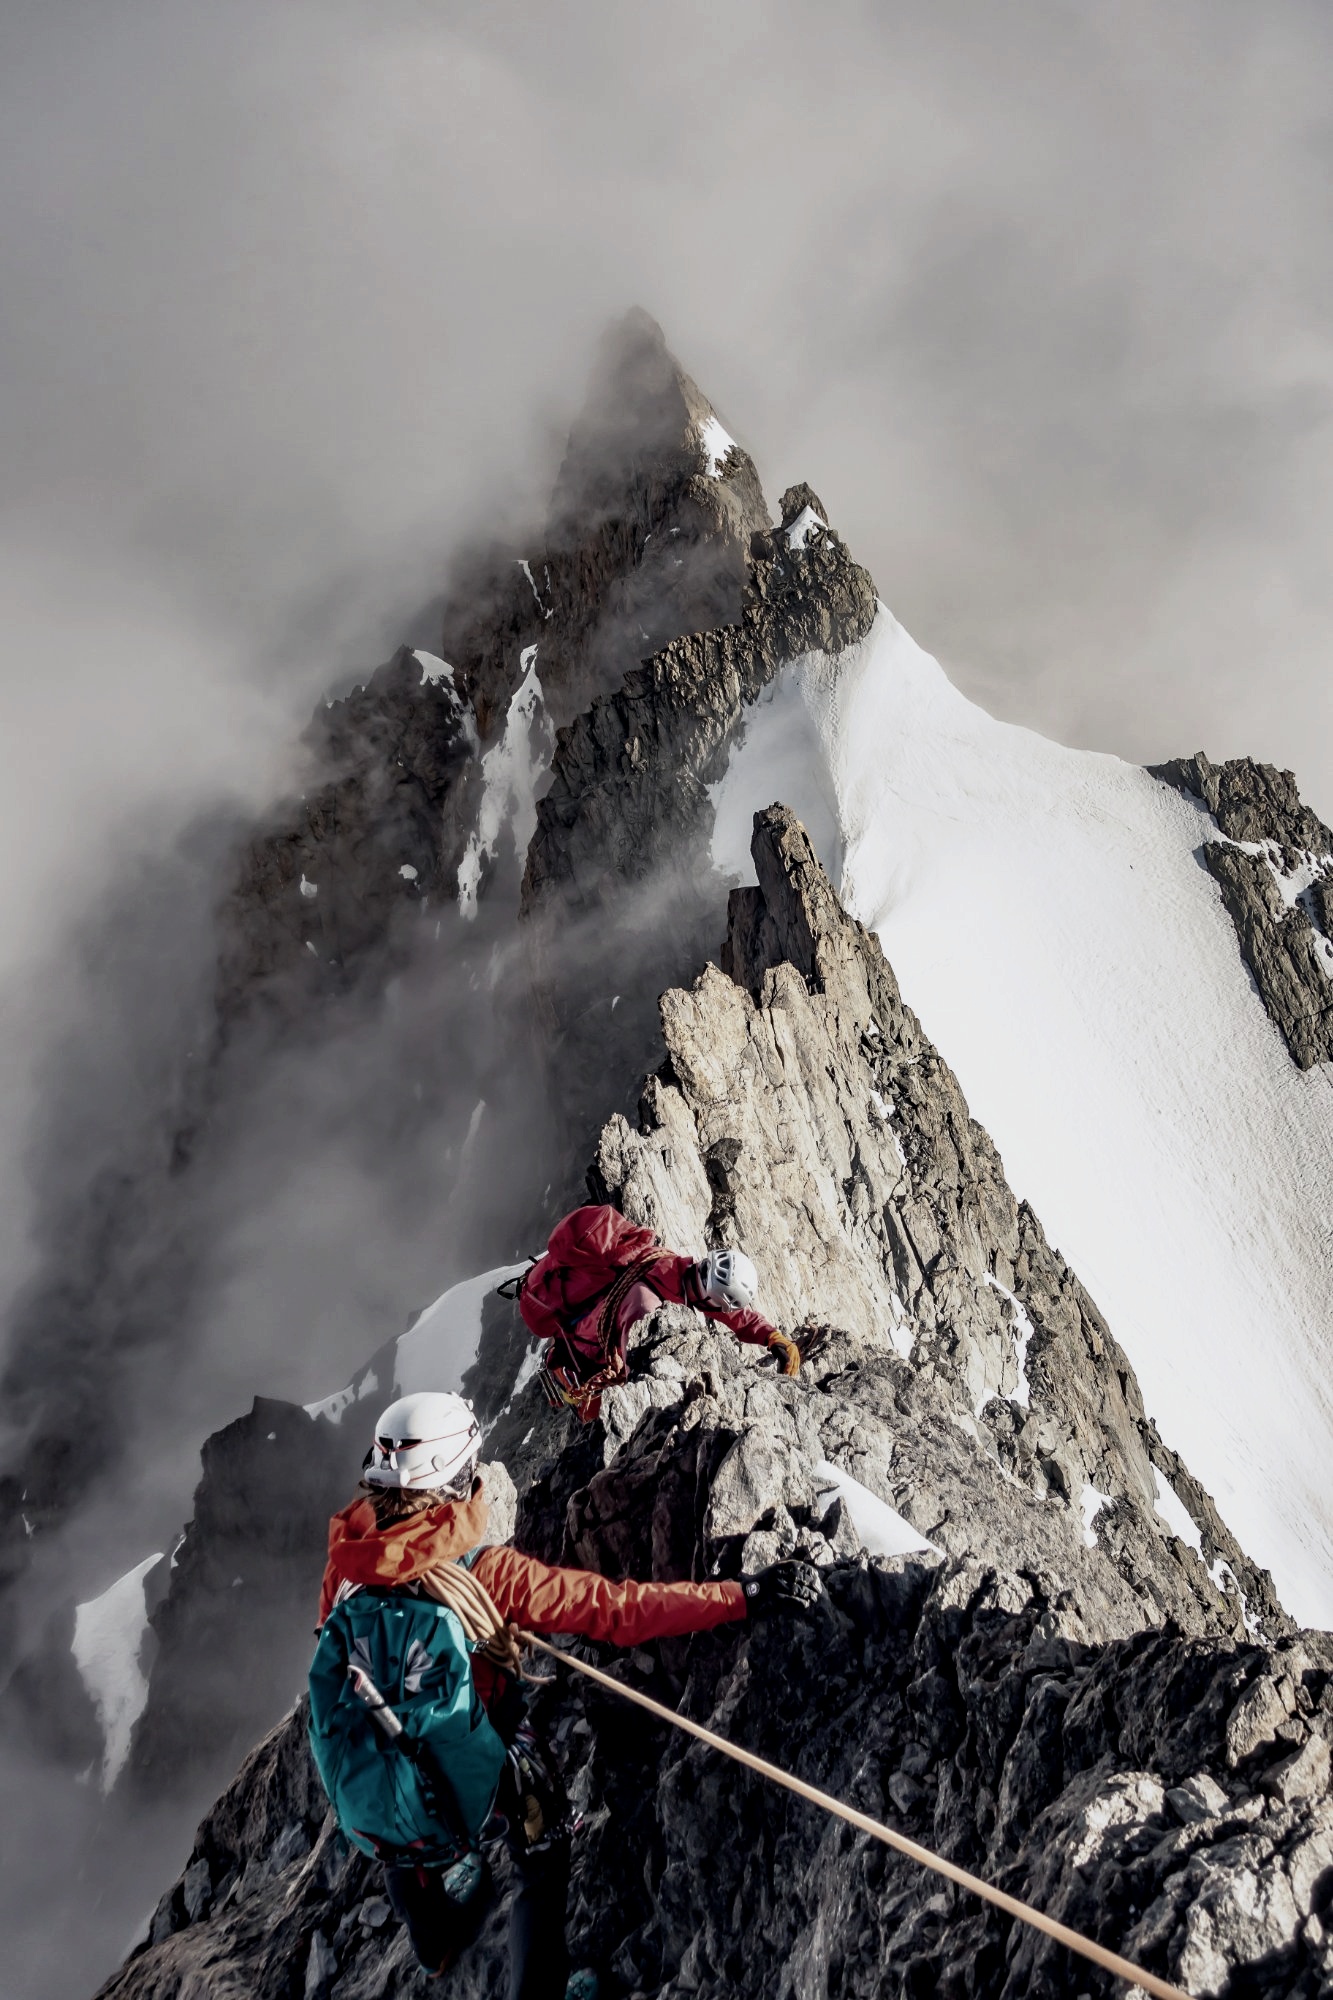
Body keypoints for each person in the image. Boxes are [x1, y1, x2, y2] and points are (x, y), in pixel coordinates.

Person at [309, 1390, 822, 1998]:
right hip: (485, 1745)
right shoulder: (486, 1573)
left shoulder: (349, 1560)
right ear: (456, 1477)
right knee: (542, 1855)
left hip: (377, 1757)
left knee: (406, 1841)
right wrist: (740, 1595)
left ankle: (435, 1943)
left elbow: (338, 1645)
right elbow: (614, 1609)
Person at [511, 1203, 801, 1420]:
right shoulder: (646, 1306)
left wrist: (770, 1335)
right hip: (580, 1363)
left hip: (591, 1338)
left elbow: (725, 1309)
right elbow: (628, 1371)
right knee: (598, 1434)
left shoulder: (675, 1268)